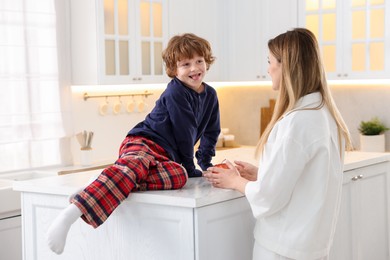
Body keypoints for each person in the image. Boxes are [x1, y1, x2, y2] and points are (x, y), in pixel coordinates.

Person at [46, 33, 221, 254]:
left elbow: (212, 130)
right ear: (174, 70)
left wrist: (205, 164)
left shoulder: (211, 95)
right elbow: (185, 133)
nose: (194, 68)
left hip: (165, 158)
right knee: (138, 166)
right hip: (143, 143)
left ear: (207, 61)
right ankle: (71, 212)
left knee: (179, 176)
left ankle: (105, 181)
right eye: (186, 64)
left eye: (199, 61)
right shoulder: (176, 91)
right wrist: (190, 165)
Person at [204, 28, 353, 260]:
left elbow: (267, 198)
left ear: (287, 66)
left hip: (281, 250)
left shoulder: (297, 121)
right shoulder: (324, 114)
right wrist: (262, 174)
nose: (267, 68)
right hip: (310, 248)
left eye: (270, 61)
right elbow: (305, 180)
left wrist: (235, 181)